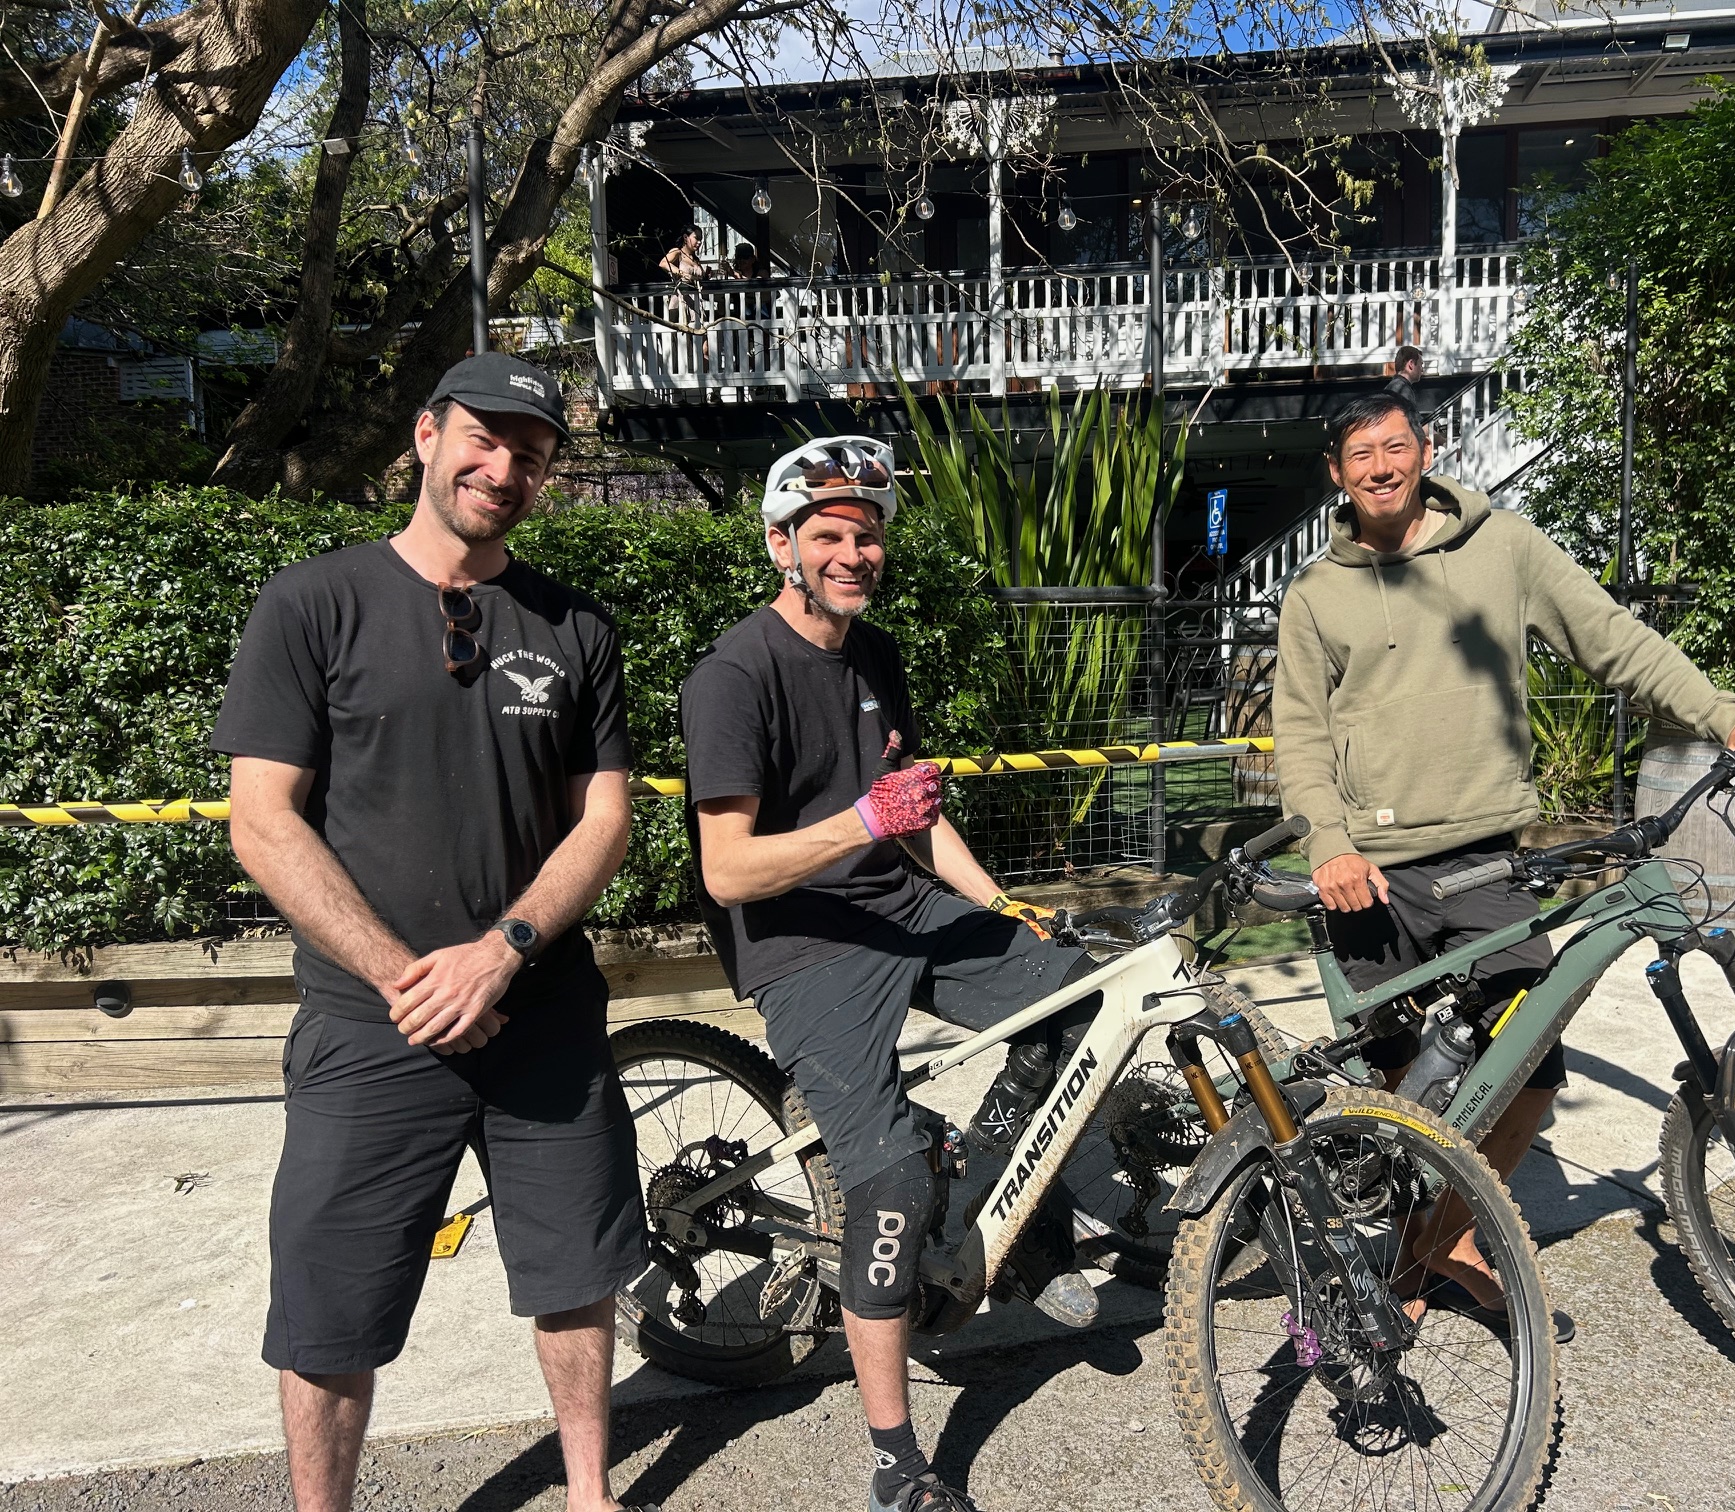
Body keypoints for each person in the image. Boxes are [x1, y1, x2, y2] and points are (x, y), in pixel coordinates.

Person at [213, 353, 654, 1512]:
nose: (503, 469)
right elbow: (262, 822)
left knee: (575, 1275)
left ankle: (590, 1496)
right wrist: (409, 977)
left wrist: (503, 949)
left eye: (532, 454)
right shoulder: (315, 603)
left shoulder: (575, 627)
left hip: (543, 1016)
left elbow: (602, 819)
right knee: (330, 1301)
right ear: (425, 435)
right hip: (373, 1030)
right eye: (484, 439)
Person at [1272, 392, 1735, 1339]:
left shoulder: (1502, 547)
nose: (1381, 466)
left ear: (1424, 453)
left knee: (1532, 1072)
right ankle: (1393, 1243)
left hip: (1486, 858)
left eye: (1396, 446)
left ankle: (1446, 1236)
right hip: (1369, 874)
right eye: (1360, 454)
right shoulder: (1315, 595)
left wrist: (1722, 711)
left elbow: (1613, 640)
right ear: (1336, 475)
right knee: (1398, 1085)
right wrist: (1330, 844)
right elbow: (1301, 737)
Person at [679, 435, 1105, 1512]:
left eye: (867, 535)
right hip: (801, 943)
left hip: (903, 907)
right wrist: (858, 822)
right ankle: (893, 1461)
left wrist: (1002, 908)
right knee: (888, 1189)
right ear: (782, 544)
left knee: (1080, 994)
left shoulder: (876, 656)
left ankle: (1022, 1235)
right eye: (828, 534)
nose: (853, 552)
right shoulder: (734, 676)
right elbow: (727, 869)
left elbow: (917, 816)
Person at [1385, 344, 1425, 411]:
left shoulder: (1391, 387)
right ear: (1411, 364)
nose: (1422, 370)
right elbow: (1411, 419)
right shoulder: (1403, 390)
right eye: (1420, 364)